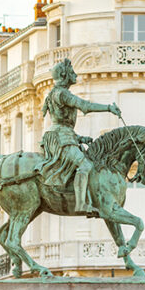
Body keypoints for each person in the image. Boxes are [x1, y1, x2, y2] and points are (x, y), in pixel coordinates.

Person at [39, 59, 122, 214]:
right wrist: (109, 108)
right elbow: (85, 106)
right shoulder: (62, 94)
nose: (75, 74)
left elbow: (60, 121)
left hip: (62, 136)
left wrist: (79, 138)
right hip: (60, 138)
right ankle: (81, 204)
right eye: (71, 72)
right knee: (85, 165)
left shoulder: (54, 94)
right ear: (64, 75)